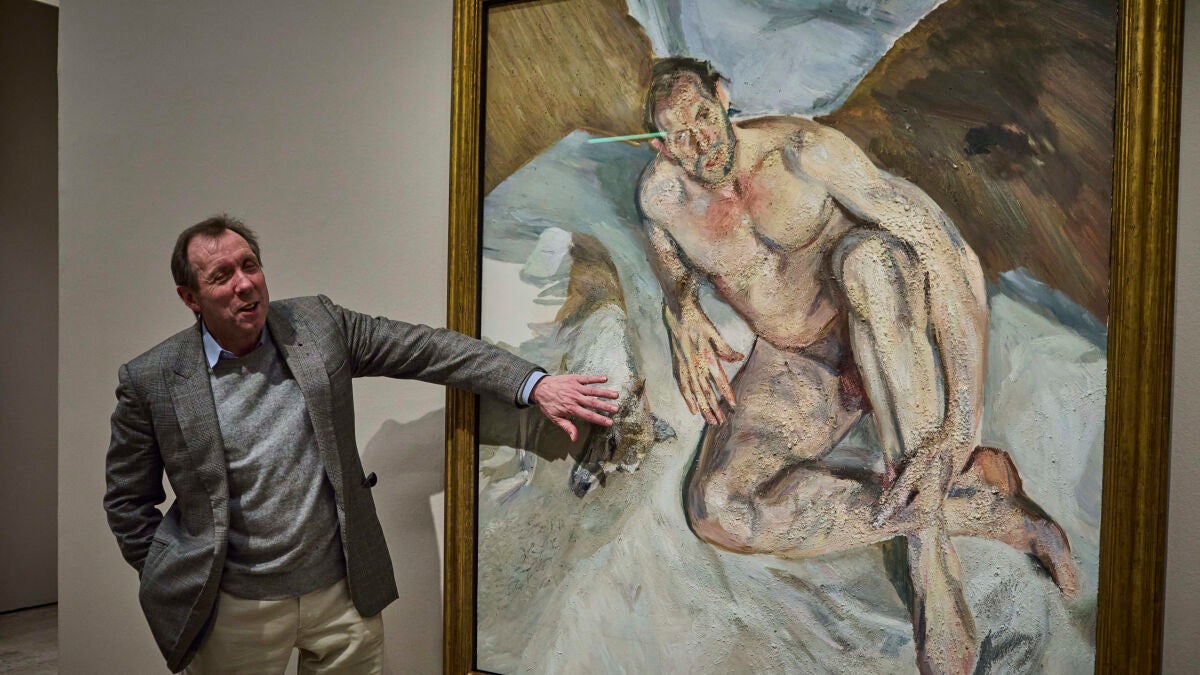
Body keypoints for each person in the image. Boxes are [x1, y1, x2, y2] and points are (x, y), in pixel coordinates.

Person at [636, 57, 1077, 674]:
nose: (700, 143)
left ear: (723, 96)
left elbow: (945, 251)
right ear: (660, 145)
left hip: (881, 329)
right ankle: (985, 510)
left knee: (869, 260)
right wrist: (679, 305)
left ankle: (932, 571)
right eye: (679, 136)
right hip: (797, 367)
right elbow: (668, 257)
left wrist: (961, 422)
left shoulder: (803, 153)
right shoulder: (662, 198)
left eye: (704, 118)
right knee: (719, 509)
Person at [103, 215, 619, 673]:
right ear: (190, 298)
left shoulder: (315, 325)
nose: (245, 284)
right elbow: (128, 501)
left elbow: (427, 348)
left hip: (341, 595)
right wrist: (177, 575)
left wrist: (534, 384)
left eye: (250, 265)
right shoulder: (153, 380)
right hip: (235, 609)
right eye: (221, 276)